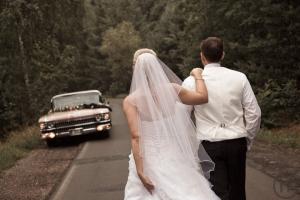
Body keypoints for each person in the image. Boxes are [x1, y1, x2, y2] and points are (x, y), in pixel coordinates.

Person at [123, 48, 220, 200]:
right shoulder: (173, 90)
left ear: (136, 69)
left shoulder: (131, 101)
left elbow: (136, 136)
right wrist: (198, 75)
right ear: (157, 67)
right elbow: (202, 97)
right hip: (173, 152)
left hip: (147, 157)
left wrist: (141, 172)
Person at [182, 37, 261, 200]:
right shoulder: (240, 78)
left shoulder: (191, 82)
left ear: (202, 56)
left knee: (216, 194)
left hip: (208, 144)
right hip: (236, 141)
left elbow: (182, 117)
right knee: (238, 193)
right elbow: (254, 113)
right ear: (222, 55)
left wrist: (191, 144)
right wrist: (248, 140)